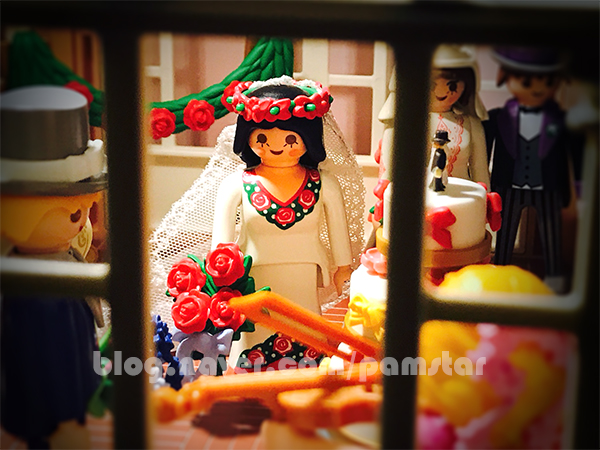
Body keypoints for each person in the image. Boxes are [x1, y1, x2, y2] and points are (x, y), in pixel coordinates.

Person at [212, 77, 354, 358]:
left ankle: (308, 355)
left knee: (304, 319)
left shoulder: (323, 183)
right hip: (254, 272)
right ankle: (251, 359)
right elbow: (221, 243)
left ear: (308, 139)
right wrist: (221, 276)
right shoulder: (237, 184)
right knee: (258, 324)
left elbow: (339, 231)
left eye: (291, 139)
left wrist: (343, 268)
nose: (276, 147)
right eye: (262, 138)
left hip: (304, 268)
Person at [484, 47, 573, 292]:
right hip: (508, 186)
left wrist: (569, 190)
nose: (538, 88)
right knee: (505, 234)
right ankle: (499, 274)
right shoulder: (498, 117)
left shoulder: (560, 120)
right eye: (526, 82)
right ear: (506, 78)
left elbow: (566, 157)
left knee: (551, 236)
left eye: (548, 82)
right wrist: (483, 185)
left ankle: (554, 280)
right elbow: (484, 150)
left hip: (548, 188)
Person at [429, 45, 490, 188]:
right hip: (422, 196)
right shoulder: (412, 122)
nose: (441, 91)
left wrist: (486, 196)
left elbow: (479, 168)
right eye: (432, 84)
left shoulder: (470, 123)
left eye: (452, 86)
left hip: (463, 195)